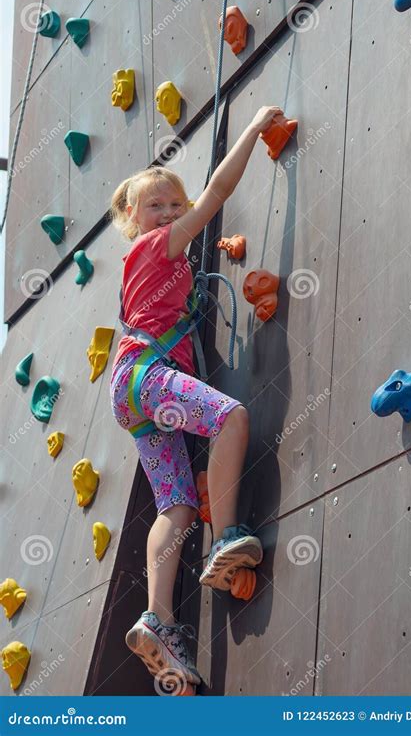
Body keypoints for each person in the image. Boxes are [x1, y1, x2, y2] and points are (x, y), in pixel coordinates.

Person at [109, 106, 283, 687]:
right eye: (155, 205)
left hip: (131, 391)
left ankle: (157, 618)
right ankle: (227, 538)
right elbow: (215, 196)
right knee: (230, 418)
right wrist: (255, 129)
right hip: (149, 376)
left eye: (172, 205)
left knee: (175, 506)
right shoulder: (159, 245)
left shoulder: (140, 272)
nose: (169, 212)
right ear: (134, 219)